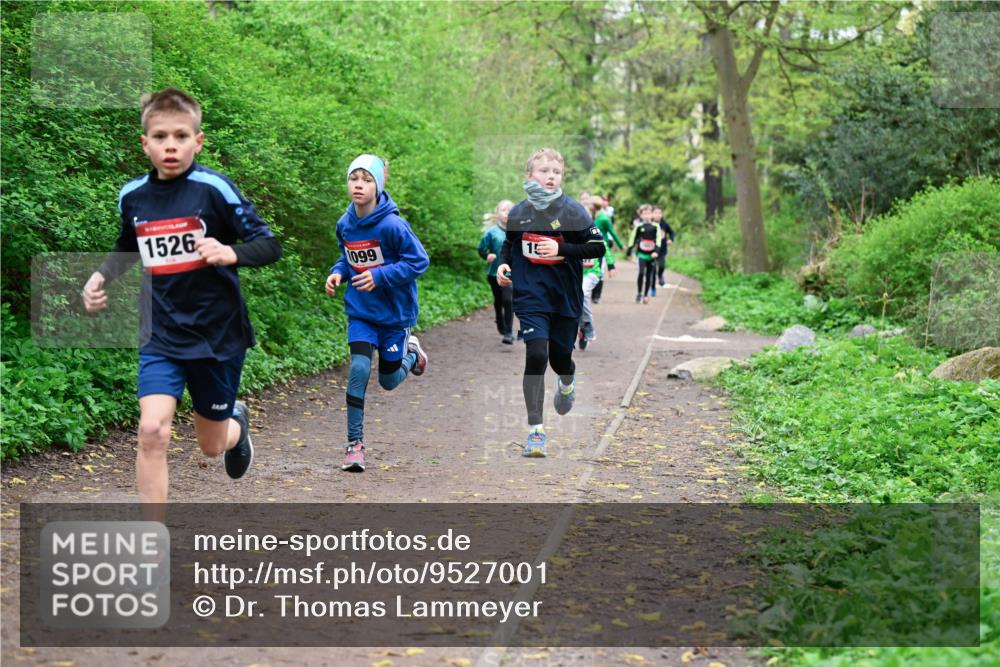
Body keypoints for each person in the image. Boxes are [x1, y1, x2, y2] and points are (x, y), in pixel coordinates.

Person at [82, 87, 282, 505]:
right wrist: (100, 276)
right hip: (162, 334)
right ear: (145, 143)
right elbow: (129, 245)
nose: (170, 145)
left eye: (180, 136)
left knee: (211, 445)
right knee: (152, 430)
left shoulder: (214, 189)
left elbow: (269, 245)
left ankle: (236, 427)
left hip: (217, 336)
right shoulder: (133, 196)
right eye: (160, 137)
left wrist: (231, 253)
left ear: (198, 140)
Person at [495, 148, 605, 457]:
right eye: (544, 171)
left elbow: (597, 247)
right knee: (536, 355)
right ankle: (536, 432)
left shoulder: (573, 212)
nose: (551, 176)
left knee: (559, 359)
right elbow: (509, 246)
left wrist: (561, 250)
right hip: (531, 297)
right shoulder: (519, 213)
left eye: (556, 172)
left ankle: (567, 381)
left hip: (564, 298)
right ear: (530, 176)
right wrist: (504, 265)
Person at [325, 154, 430, 473]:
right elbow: (347, 258)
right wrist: (338, 272)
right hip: (362, 312)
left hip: (395, 315)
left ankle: (412, 354)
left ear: (378, 185)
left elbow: (419, 261)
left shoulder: (393, 225)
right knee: (359, 368)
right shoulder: (345, 224)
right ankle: (354, 445)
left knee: (388, 381)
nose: (358, 185)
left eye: (366, 179)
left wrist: (380, 276)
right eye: (353, 178)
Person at [578, 200, 616, 350]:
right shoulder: (571, 232)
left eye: (587, 215)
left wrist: (611, 265)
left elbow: (605, 248)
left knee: (582, 292)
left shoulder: (595, 232)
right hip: (575, 273)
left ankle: (587, 324)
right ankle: (581, 327)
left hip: (592, 273)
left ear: (592, 217)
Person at [477, 200, 515, 344]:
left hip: (510, 272)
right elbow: (481, 249)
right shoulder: (491, 232)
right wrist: (487, 256)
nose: (507, 213)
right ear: (498, 214)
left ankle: (508, 333)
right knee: (499, 300)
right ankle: (499, 318)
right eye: (504, 210)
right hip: (494, 273)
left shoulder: (517, 232)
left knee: (508, 300)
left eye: (510, 210)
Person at [589, 195, 623, 305]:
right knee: (591, 269)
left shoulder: (604, 219)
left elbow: (613, 232)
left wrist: (621, 246)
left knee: (599, 271)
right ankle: (591, 293)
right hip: (589, 247)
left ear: (593, 206)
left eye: (589, 205)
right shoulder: (590, 217)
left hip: (601, 247)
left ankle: (596, 295)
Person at [629, 204, 660, 304]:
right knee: (641, 273)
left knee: (649, 275)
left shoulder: (656, 226)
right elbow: (633, 237)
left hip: (651, 255)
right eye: (644, 214)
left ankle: (646, 294)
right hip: (641, 254)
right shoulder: (639, 226)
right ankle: (639, 293)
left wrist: (656, 251)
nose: (647, 216)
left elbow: (658, 239)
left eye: (648, 213)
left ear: (652, 215)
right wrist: (630, 248)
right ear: (641, 215)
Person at [653, 206, 676, 289]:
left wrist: (670, 239)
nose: (657, 215)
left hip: (662, 249)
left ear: (662, 214)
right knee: (653, 267)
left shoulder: (664, 224)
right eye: (655, 213)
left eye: (659, 213)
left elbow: (672, 232)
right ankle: (651, 279)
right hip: (652, 249)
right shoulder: (650, 223)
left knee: (661, 266)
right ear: (652, 214)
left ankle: (660, 275)